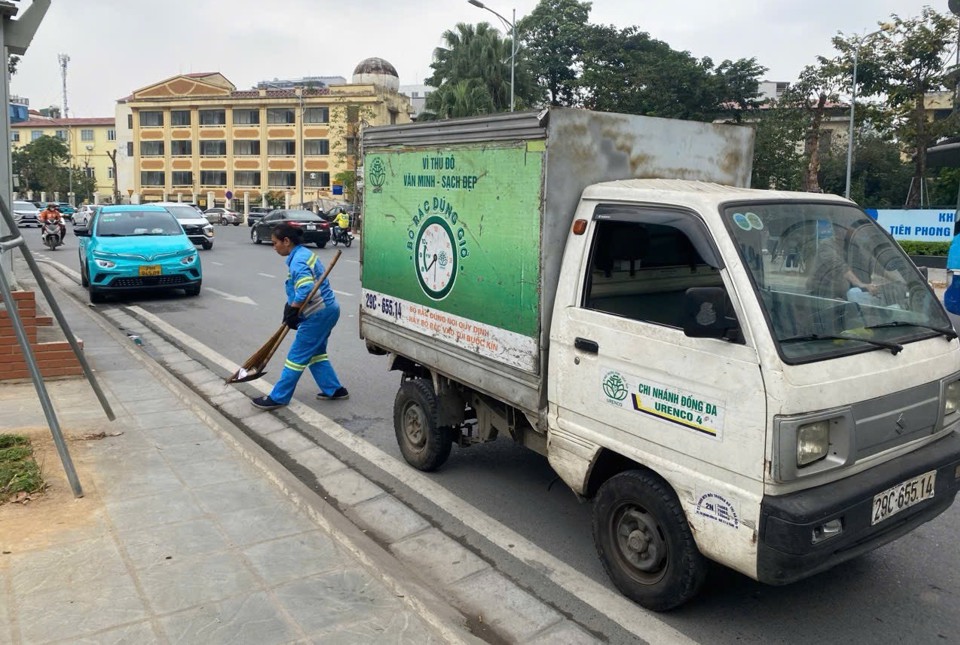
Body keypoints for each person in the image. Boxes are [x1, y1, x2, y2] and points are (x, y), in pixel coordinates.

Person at [251, 223, 348, 410]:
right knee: (315, 354)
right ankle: (334, 390)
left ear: (286, 241)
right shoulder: (303, 254)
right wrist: (290, 307)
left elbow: (305, 288)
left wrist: (294, 309)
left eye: (275, 243)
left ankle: (279, 397)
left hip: (318, 313)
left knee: (296, 357)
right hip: (327, 310)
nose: (274, 247)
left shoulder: (299, 261)